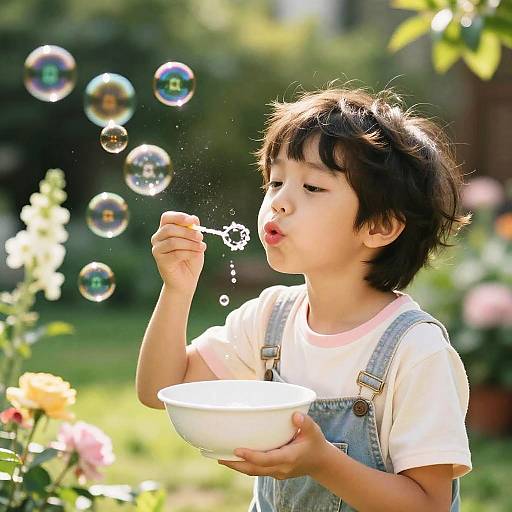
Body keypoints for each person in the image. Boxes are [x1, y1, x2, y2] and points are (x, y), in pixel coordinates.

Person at [136, 87, 472, 512]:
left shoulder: (414, 351)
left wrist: (323, 461)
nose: (278, 201)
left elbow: (429, 505)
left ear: (381, 227)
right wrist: (177, 289)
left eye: (312, 186)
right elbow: (159, 389)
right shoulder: (269, 318)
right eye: (275, 181)